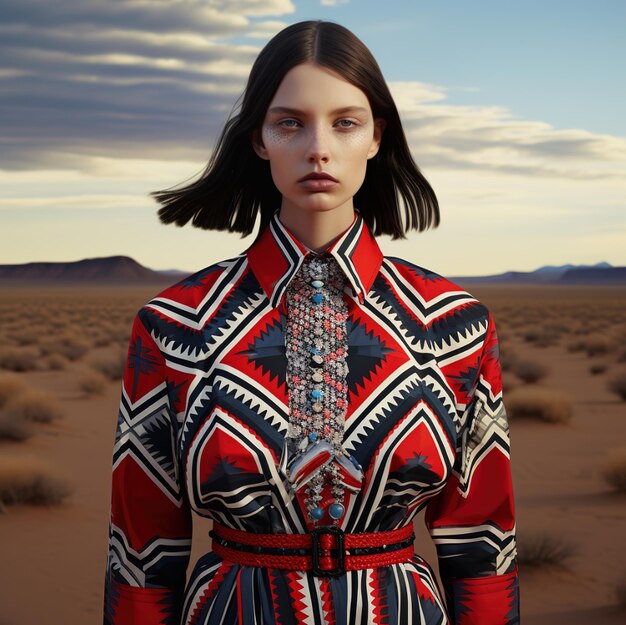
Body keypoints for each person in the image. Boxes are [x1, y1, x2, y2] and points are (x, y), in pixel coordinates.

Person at [103, 19, 520, 625]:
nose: (318, 148)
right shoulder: (175, 325)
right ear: (258, 140)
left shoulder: (455, 324)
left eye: (345, 123)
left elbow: (484, 546)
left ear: (377, 137)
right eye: (290, 123)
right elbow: (141, 551)